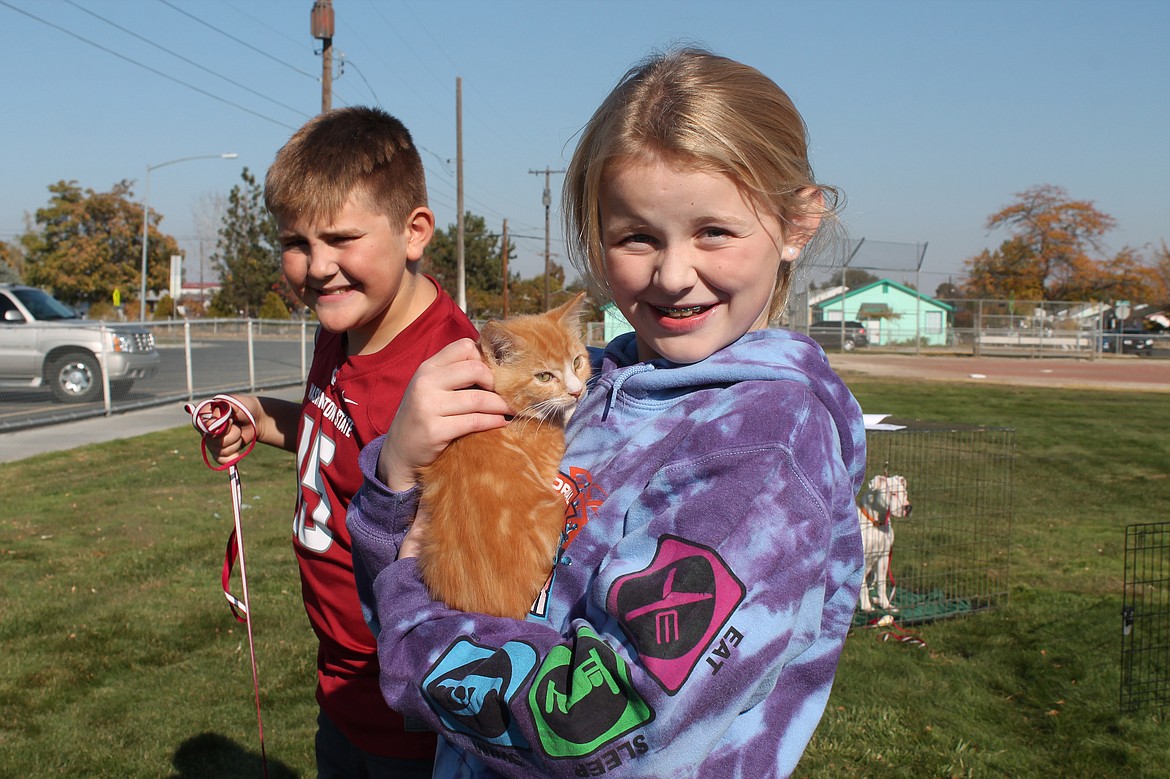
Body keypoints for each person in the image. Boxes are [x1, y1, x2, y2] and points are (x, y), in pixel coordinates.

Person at [347, 48, 867, 778]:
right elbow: (425, 588)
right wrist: (396, 477)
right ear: (598, 237)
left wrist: (412, 624)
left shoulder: (764, 453)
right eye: (637, 237)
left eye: (713, 230)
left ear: (795, 224)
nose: (674, 273)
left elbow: (596, 727)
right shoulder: (600, 385)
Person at [194, 106, 477, 778]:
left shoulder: (446, 372)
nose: (318, 268)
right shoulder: (344, 321)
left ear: (414, 232)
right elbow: (342, 439)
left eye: (342, 238)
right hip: (341, 681)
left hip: (408, 703)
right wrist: (262, 418)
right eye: (297, 242)